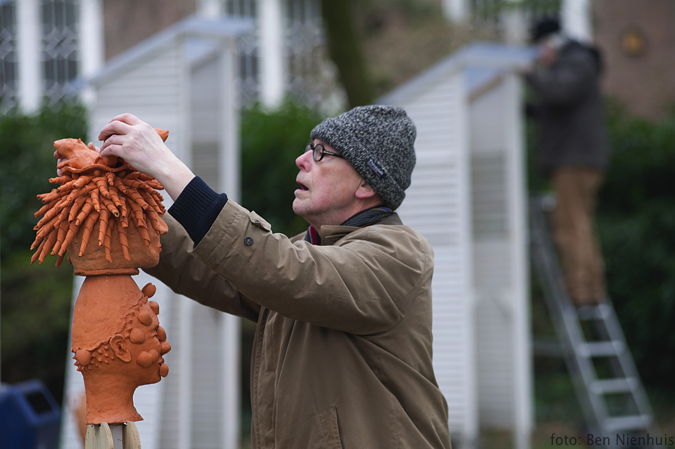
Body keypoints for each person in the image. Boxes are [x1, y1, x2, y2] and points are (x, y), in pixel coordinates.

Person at [95, 105, 452, 449]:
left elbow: (283, 271)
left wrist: (166, 167)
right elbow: (216, 267)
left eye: (322, 153)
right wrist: (127, 209)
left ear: (366, 183)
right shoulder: (306, 252)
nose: (302, 159)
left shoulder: (399, 253)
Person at [524, 18, 610, 306]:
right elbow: (557, 106)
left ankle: (581, 292)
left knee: (570, 227)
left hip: (574, 159)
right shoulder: (576, 64)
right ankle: (591, 290)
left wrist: (528, 74)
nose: (539, 58)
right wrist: (530, 110)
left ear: (551, 44)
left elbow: (558, 92)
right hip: (578, 157)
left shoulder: (576, 62)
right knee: (581, 225)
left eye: (540, 51)